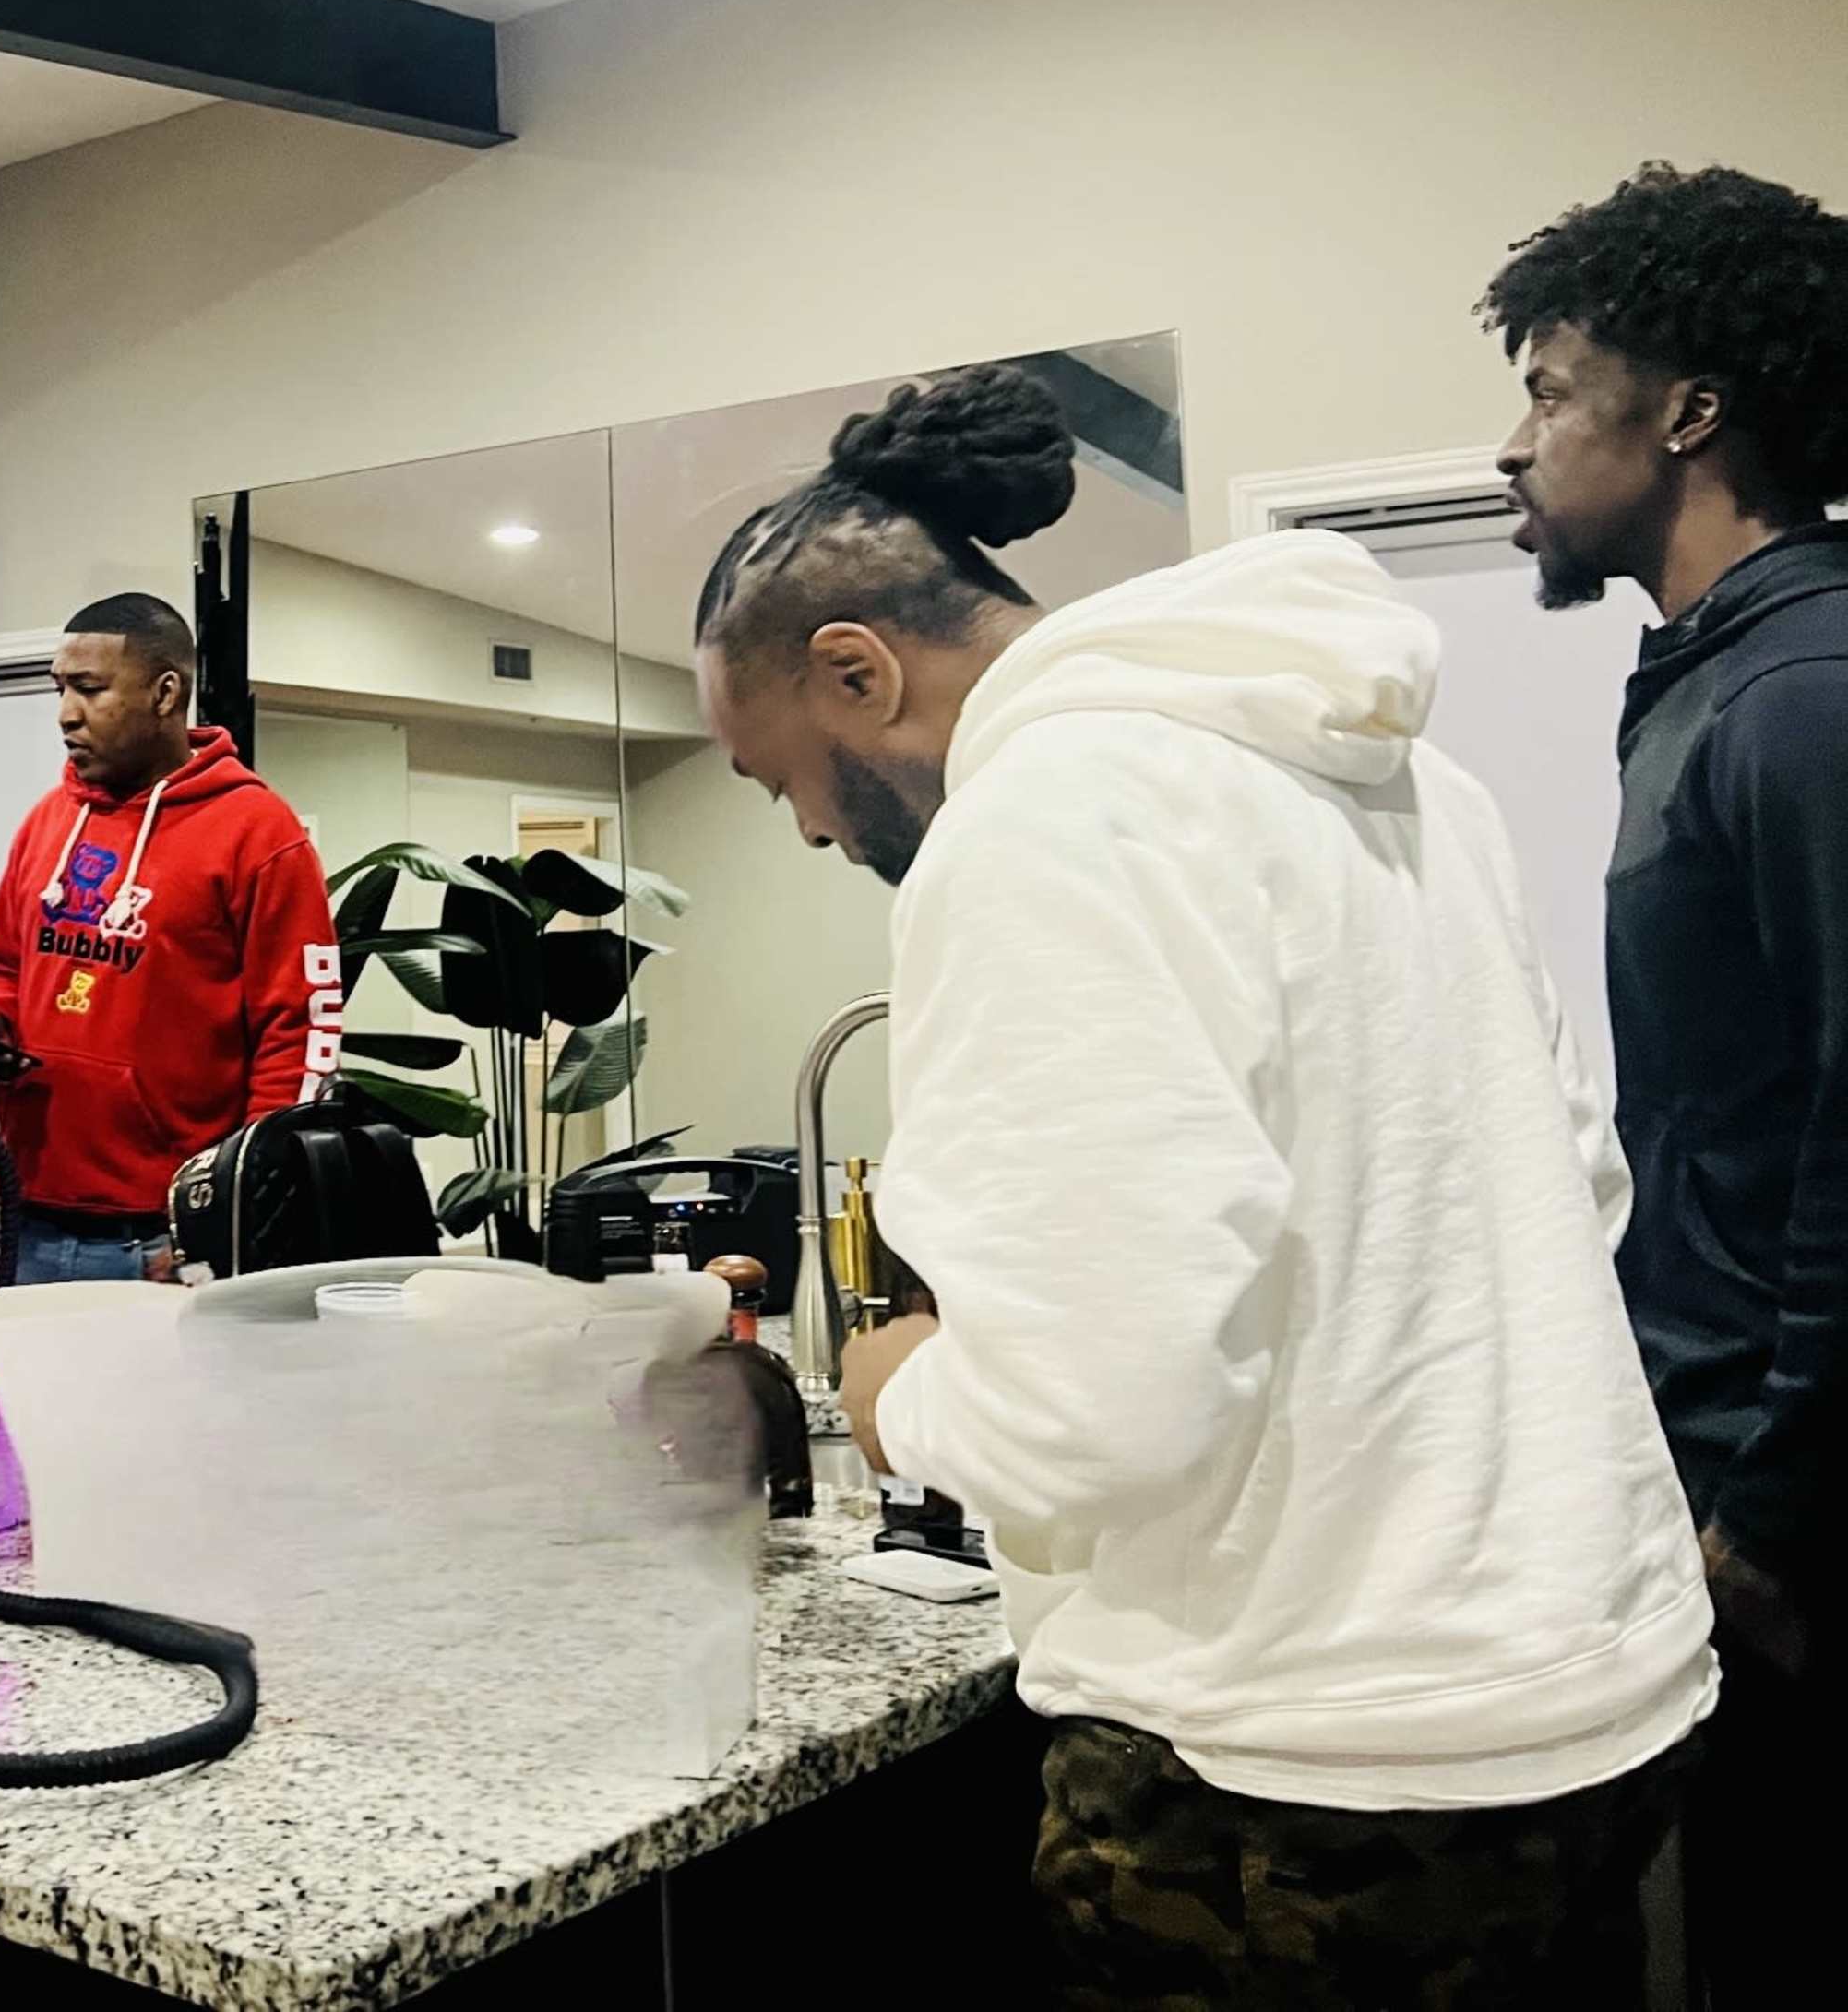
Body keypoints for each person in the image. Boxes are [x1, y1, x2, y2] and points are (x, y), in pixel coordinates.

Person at [693, 369, 1709, 2008]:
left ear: (857, 668)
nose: (807, 828)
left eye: (778, 774)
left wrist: (902, 1396)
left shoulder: (1039, 819)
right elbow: (1575, 1186)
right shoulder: (1412, 787)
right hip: (1582, 1692)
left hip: (1306, 1772)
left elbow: (1101, 1409)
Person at [1482, 161, 1848, 2002]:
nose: (1516, 446)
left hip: (1798, 1527)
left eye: (1551, 392)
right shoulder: (1710, 676)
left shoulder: (1810, 688)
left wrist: (1773, 1511)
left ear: (1690, 413)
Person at [0, 593, 340, 1282]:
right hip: (31, 1216)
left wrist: (227, 1217)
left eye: (90, 688)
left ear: (166, 693)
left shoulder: (258, 834)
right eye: (61, 689)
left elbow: (300, 1039)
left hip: (166, 1238)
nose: (66, 713)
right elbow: (6, 965)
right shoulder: (48, 819)